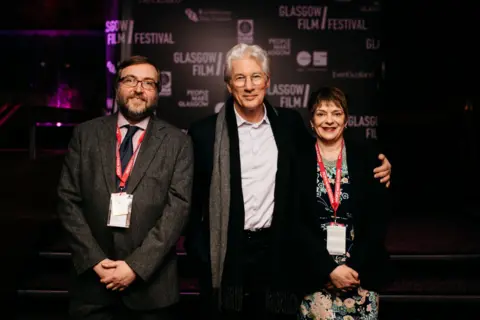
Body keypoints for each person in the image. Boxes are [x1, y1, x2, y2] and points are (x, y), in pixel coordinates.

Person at [185, 43, 392, 320]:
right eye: (240, 78)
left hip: (278, 250)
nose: (249, 86)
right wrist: (202, 256)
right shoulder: (204, 133)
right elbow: (191, 204)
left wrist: (379, 164)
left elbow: (327, 152)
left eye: (256, 76)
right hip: (227, 254)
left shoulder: (288, 124)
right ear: (228, 84)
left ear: (267, 82)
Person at [57, 55, 193, 320]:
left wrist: (135, 266)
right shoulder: (85, 135)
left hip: (152, 290)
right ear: (117, 86)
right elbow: (67, 200)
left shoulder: (178, 142)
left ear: (156, 92)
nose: (139, 89)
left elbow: (178, 210)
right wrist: (95, 260)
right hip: (92, 287)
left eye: (148, 83)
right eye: (130, 80)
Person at [295, 87, 391, 320]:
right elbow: (294, 221)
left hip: (359, 276)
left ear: (346, 120)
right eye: (321, 113)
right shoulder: (296, 160)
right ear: (311, 120)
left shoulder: (369, 158)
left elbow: (378, 221)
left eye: (336, 113)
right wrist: (328, 269)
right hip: (316, 278)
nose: (329, 120)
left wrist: (351, 270)